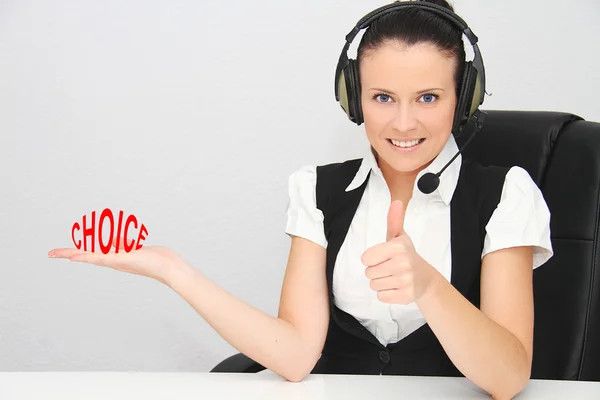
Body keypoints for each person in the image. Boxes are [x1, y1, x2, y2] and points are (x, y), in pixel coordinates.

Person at [48, 1, 553, 399]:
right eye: (382, 98)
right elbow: (293, 356)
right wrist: (173, 270)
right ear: (353, 98)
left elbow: (508, 378)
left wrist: (429, 287)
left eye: (428, 97)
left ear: (462, 99)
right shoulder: (318, 191)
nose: (403, 123)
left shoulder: (505, 194)